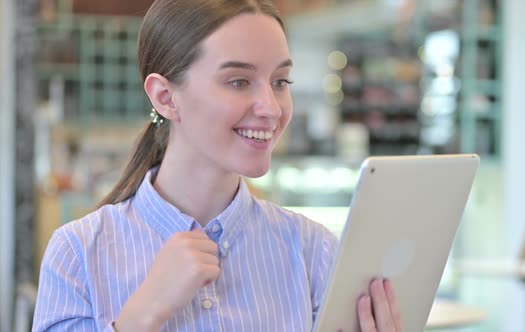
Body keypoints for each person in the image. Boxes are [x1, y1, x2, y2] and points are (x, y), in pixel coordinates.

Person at [32, 0, 402, 331]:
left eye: (280, 81)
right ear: (165, 97)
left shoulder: (314, 252)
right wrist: (143, 315)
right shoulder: (79, 253)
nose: (271, 108)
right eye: (239, 81)